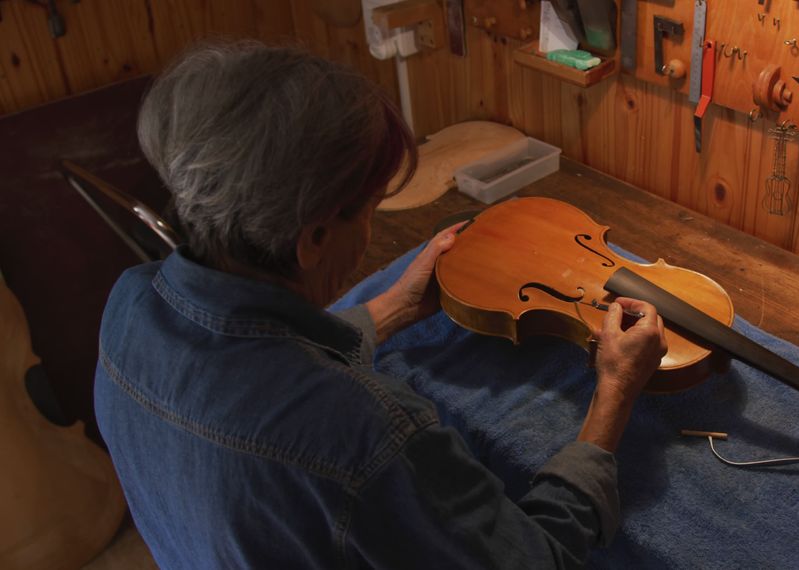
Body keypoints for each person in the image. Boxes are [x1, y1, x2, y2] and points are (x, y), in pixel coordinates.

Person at [95, 42, 667, 569]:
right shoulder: (369, 433)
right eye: (370, 208)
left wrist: (389, 309)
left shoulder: (126, 303)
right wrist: (613, 393)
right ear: (314, 238)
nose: (371, 231)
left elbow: (252, 361)